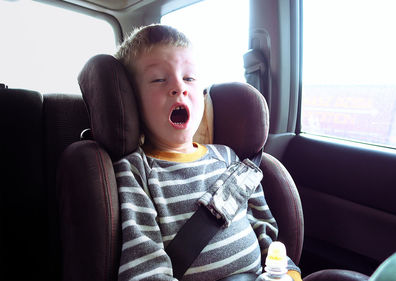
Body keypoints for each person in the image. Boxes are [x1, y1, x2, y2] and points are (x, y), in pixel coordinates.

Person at [113, 24, 302, 281]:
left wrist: (287, 271)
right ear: (132, 102)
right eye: (159, 79)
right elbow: (145, 267)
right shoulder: (136, 171)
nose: (179, 88)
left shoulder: (228, 157)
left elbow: (264, 228)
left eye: (189, 78)